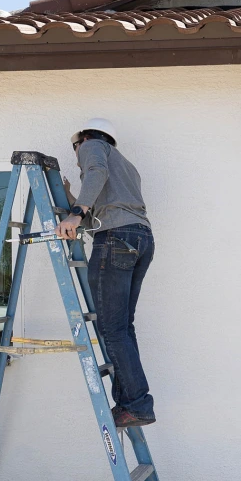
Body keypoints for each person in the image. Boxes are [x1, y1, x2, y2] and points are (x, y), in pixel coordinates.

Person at [57, 118, 157, 429]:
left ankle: (137, 405)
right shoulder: (126, 167)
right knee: (122, 328)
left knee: (113, 330)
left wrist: (75, 211)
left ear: (82, 139)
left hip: (116, 241)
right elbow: (102, 217)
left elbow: (95, 175)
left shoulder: (92, 146)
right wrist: (73, 200)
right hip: (140, 238)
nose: (78, 158)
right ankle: (130, 403)